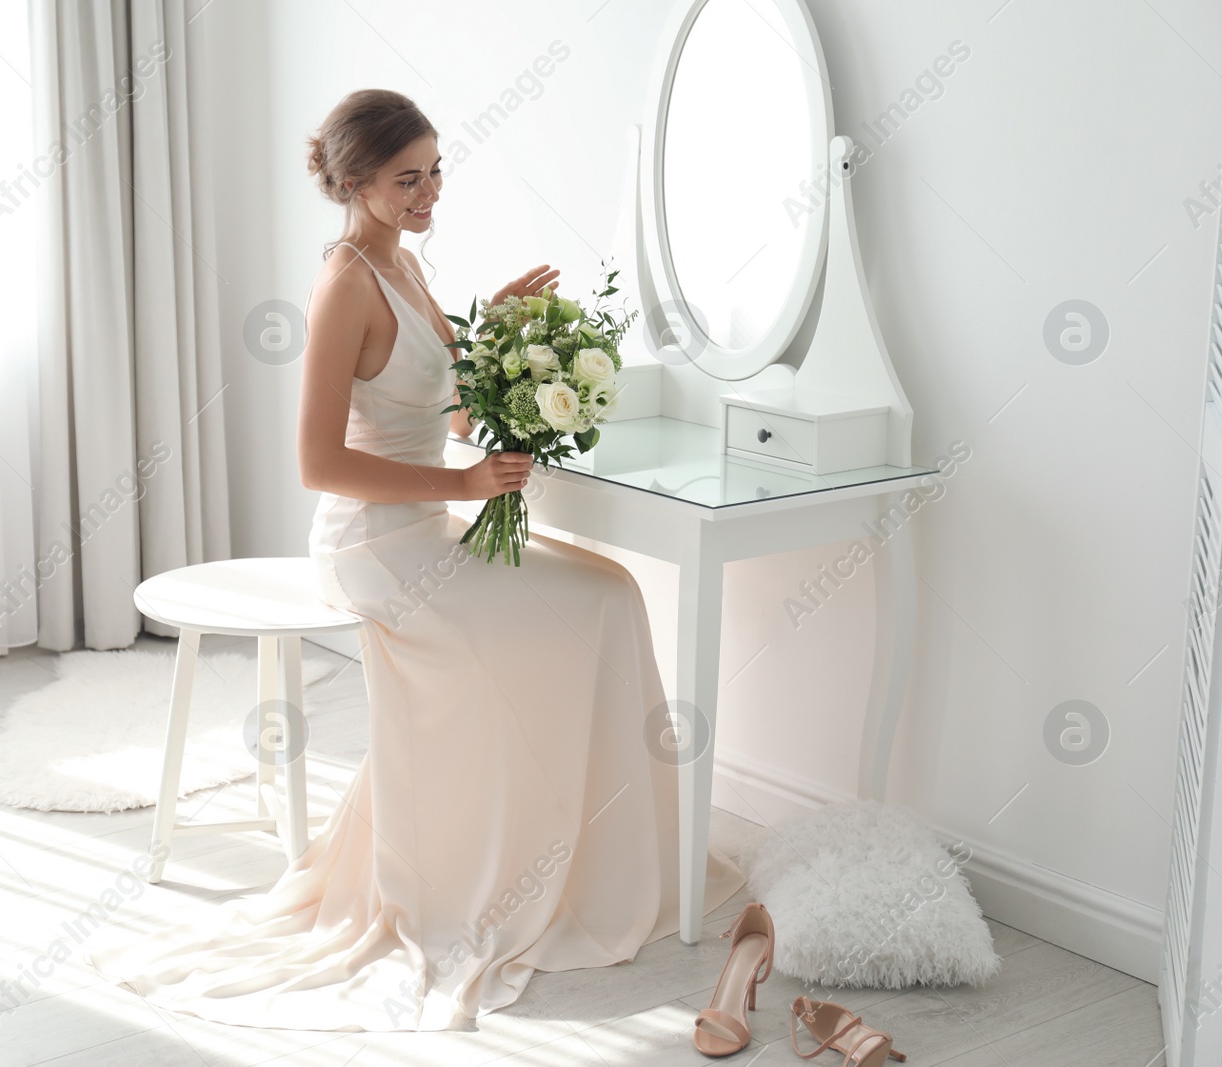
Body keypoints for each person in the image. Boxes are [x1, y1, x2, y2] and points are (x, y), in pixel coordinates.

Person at [85, 88, 744, 1033]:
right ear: (354, 182)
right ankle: (521, 865)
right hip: (378, 546)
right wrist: (467, 488)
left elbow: (447, 411)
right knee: (599, 604)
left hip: (424, 530)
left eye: (437, 170)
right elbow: (319, 461)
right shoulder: (347, 280)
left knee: (609, 592)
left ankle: (591, 854)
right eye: (409, 178)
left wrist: (495, 339)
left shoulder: (404, 262)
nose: (431, 190)